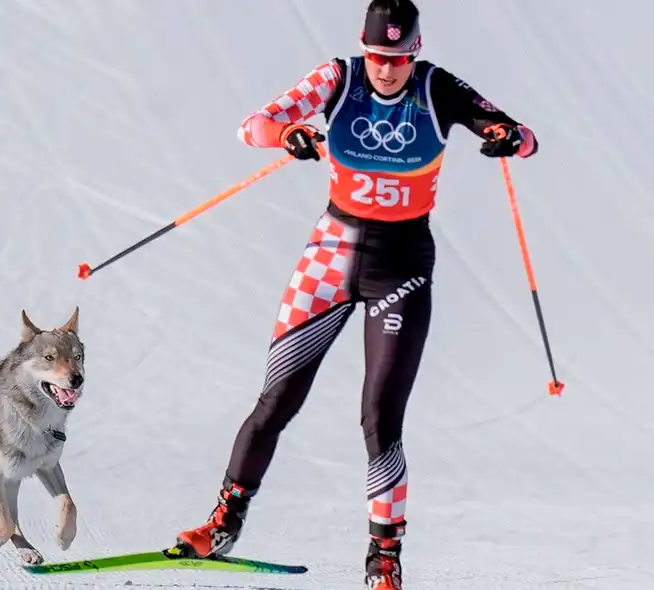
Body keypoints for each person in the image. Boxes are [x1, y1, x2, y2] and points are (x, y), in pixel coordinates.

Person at [173, 0, 538, 588]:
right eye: (377, 56)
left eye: (396, 58)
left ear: (413, 51)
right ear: (361, 46)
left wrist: (504, 136)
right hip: (330, 257)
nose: (385, 69)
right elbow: (252, 125)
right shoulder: (338, 78)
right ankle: (223, 524)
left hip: (402, 269)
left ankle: (384, 557)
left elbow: (524, 139)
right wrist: (289, 132)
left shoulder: (436, 88)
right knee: (276, 400)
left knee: (379, 418)